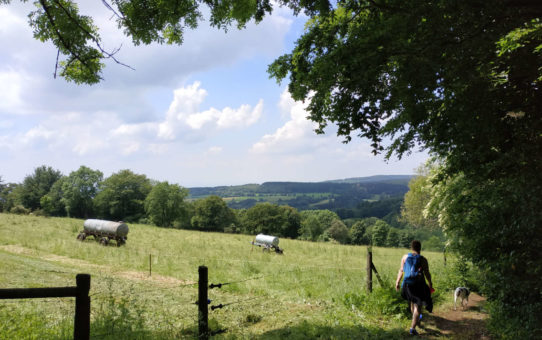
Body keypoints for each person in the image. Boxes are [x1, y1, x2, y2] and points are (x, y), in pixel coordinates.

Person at [395, 240, 433, 336]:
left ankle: (416, 320)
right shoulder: (423, 259)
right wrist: (430, 283)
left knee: (412, 301)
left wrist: (397, 282)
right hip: (418, 285)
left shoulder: (405, 257)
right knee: (418, 306)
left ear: (411, 248)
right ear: (420, 248)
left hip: (407, 284)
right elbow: (427, 274)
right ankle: (412, 328)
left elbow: (401, 270)